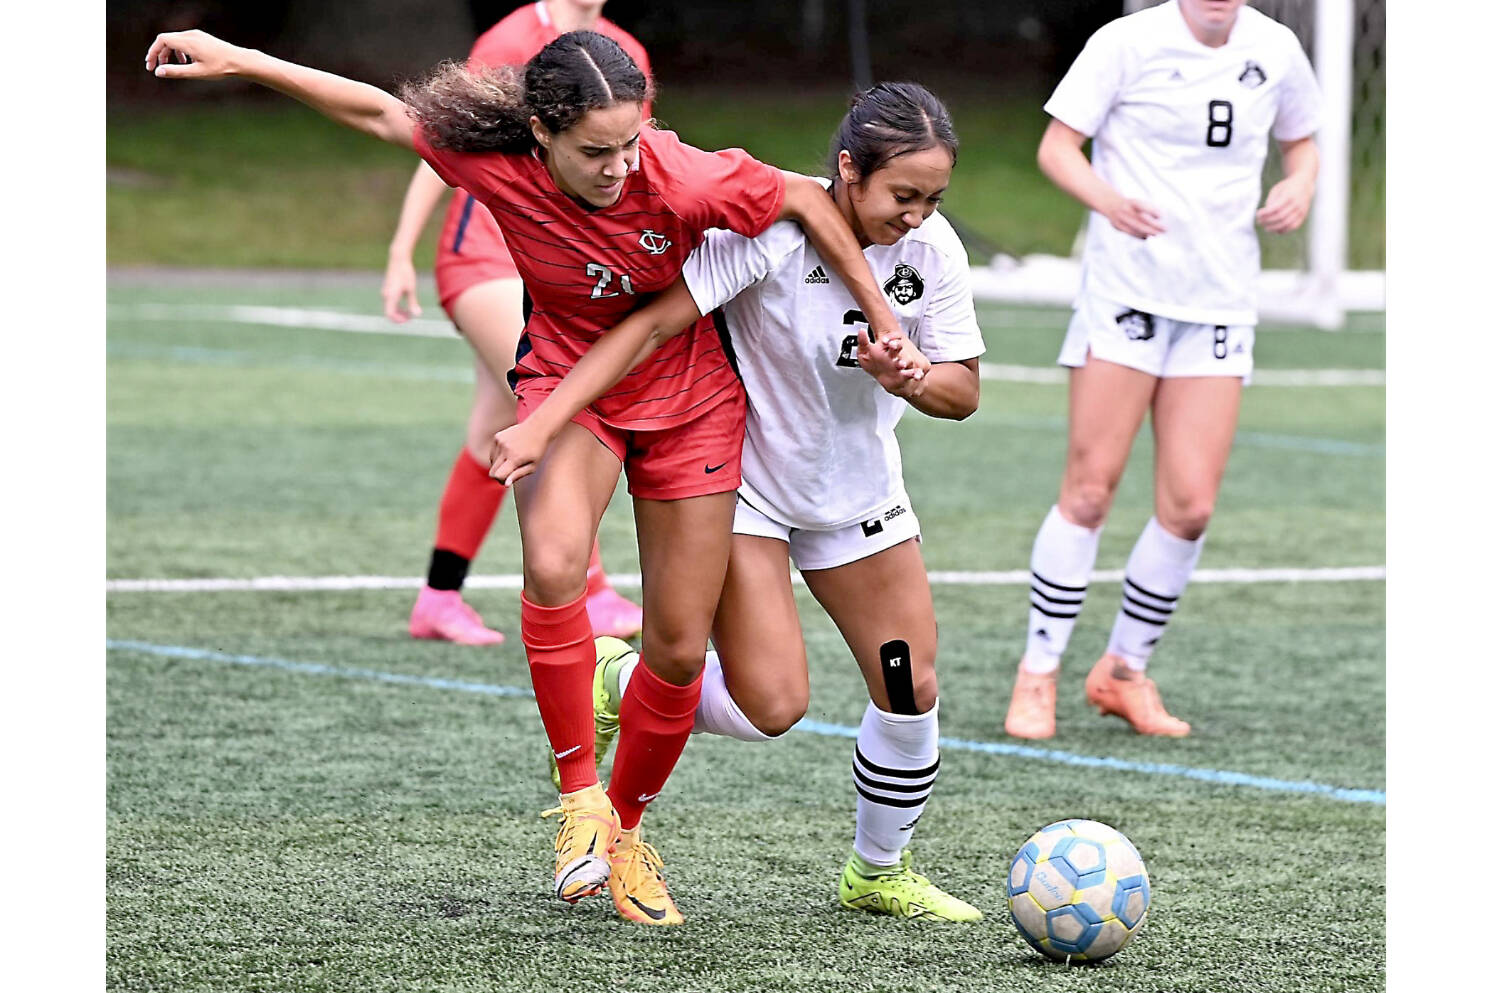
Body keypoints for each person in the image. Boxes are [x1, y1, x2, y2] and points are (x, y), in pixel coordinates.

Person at [145, 27, 920, 926]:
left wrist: (878, 314)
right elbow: (381, 112)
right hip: (564, 375)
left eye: (632, 141)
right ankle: (581, 802)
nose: (620, 167)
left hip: (693, 397)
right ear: (540, 135)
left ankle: (625, 837)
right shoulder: (495, 162)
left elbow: (802, 199)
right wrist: (243, 60)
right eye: (596, 150)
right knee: (554, 564)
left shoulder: (684, 175)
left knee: (675, 646)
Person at [496, 82, 982, 921]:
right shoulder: (769, 233)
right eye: (902, 195)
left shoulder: (932, 253)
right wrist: (546, 417)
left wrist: (915, 376)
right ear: (847, 170)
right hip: (749, 490)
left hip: (859, 496)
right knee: (772, 707)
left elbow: (963, 393)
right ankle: (623, 676)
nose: (915, 216)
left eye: (932, 199)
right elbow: (651, 324)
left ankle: (877, 871)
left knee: (909, 684)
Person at [1000, 0, 1322, 740]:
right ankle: (1037, 672)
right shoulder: (1124, 43)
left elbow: (1301, 146)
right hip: (1125, 295)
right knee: (1088, 491)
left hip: (1218, 300)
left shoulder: (1274, 49)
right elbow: (1058, 148)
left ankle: (1122, 671)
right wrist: (1107, 202)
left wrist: (1298, 184)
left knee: (1189, 506)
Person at [385, 1, 648, 646]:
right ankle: (590, 591)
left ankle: (439, 598)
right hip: (484, 257)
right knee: (559, 403)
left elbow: (626, 164)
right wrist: (401, 249)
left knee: (493, 430)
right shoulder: (513, 36)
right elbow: (439, 138)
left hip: (553, 265)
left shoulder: (624, 51)